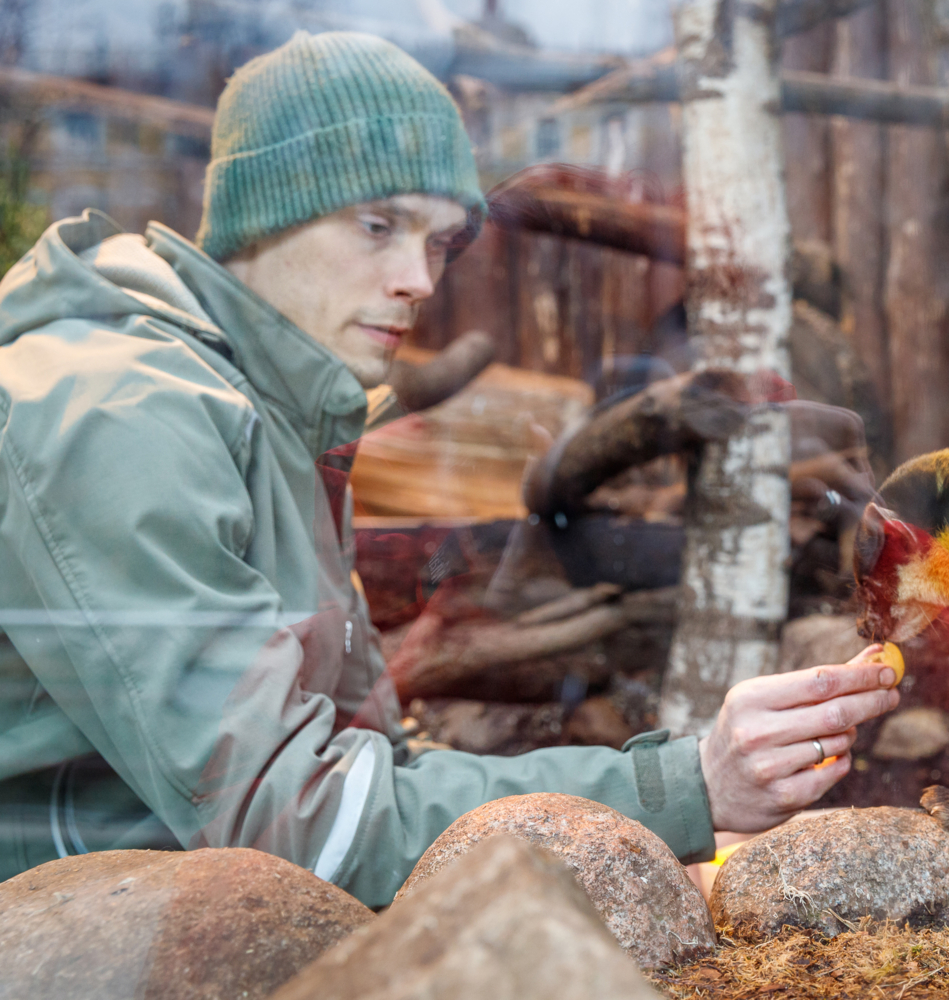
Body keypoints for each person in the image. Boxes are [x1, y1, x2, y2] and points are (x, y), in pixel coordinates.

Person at [0, 31, 898, 906]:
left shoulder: (277, 409)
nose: (421, 279)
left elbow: (358, 770)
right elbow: (307, 825)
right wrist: (685, 787)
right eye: (380, 224)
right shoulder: (124, 414)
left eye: (439, 241)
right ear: (262, 213)